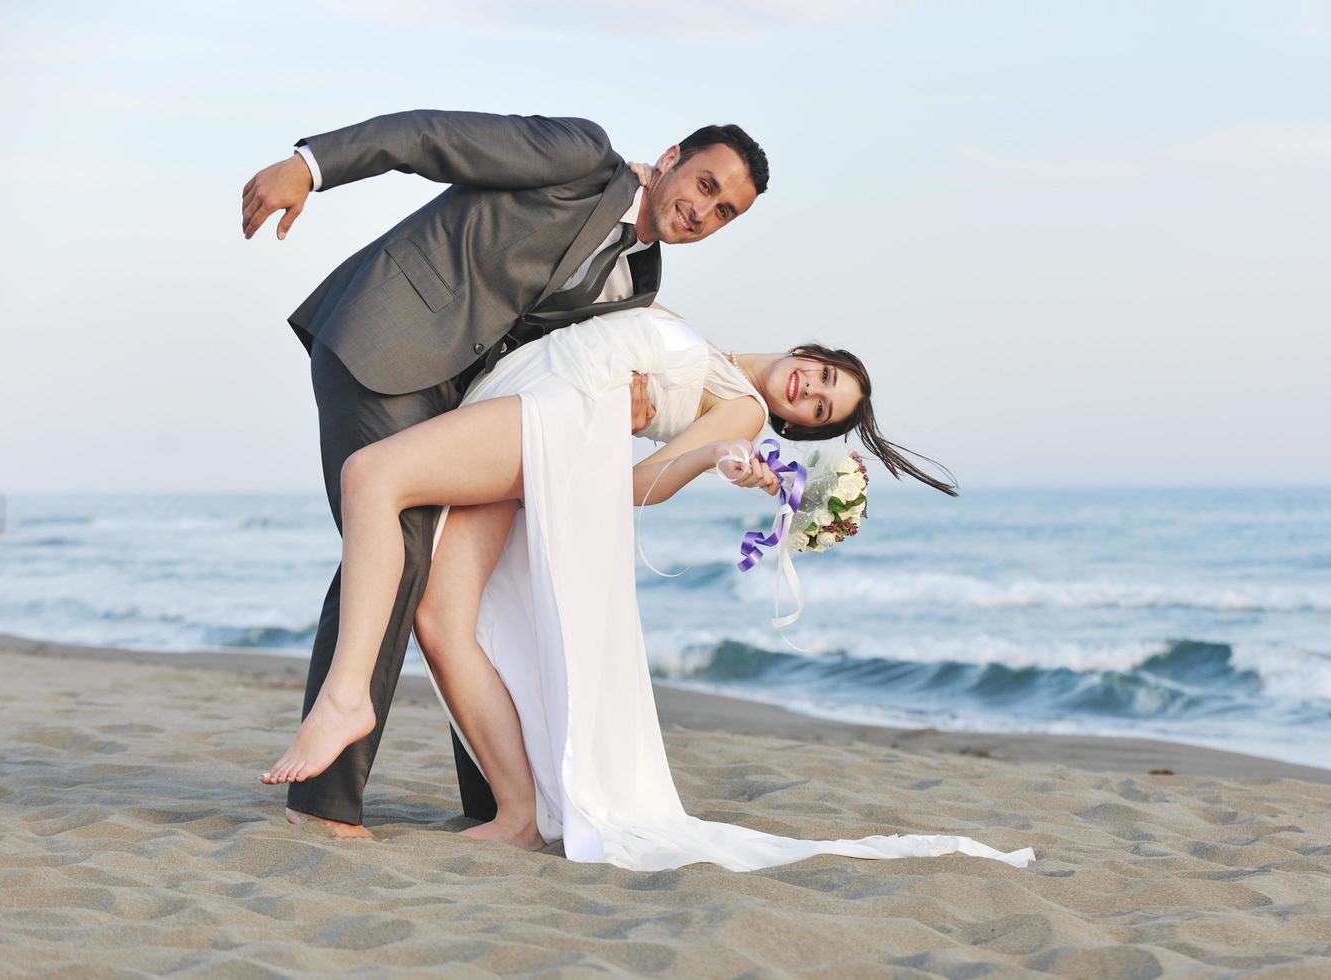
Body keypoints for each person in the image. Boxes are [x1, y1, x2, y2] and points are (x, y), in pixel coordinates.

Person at [261, 306, 1035, 873]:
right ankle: (520, 814)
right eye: (823, 376)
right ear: (810, 349)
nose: (807, 392)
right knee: (441, 618)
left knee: (373, 475)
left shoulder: (743, 407)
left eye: (817, 410)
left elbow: (638, 485)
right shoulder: (722, 363)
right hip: (527, 405)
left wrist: (715, 460)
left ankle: (347, 696)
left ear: (796, 429)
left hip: (557, 415)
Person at [241, 110, 769, 839]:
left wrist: (631, 397)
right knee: (401, 550)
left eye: (724, 212)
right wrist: (309, 165)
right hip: (385, 335)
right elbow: (433, 137)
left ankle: (493, 803)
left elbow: (559, 355)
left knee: (461, 580)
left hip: (460, 395)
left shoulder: (639, 279)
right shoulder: (581, 156)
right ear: (671, 157)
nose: (703, 210)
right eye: (705, 185)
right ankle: (321, 802)